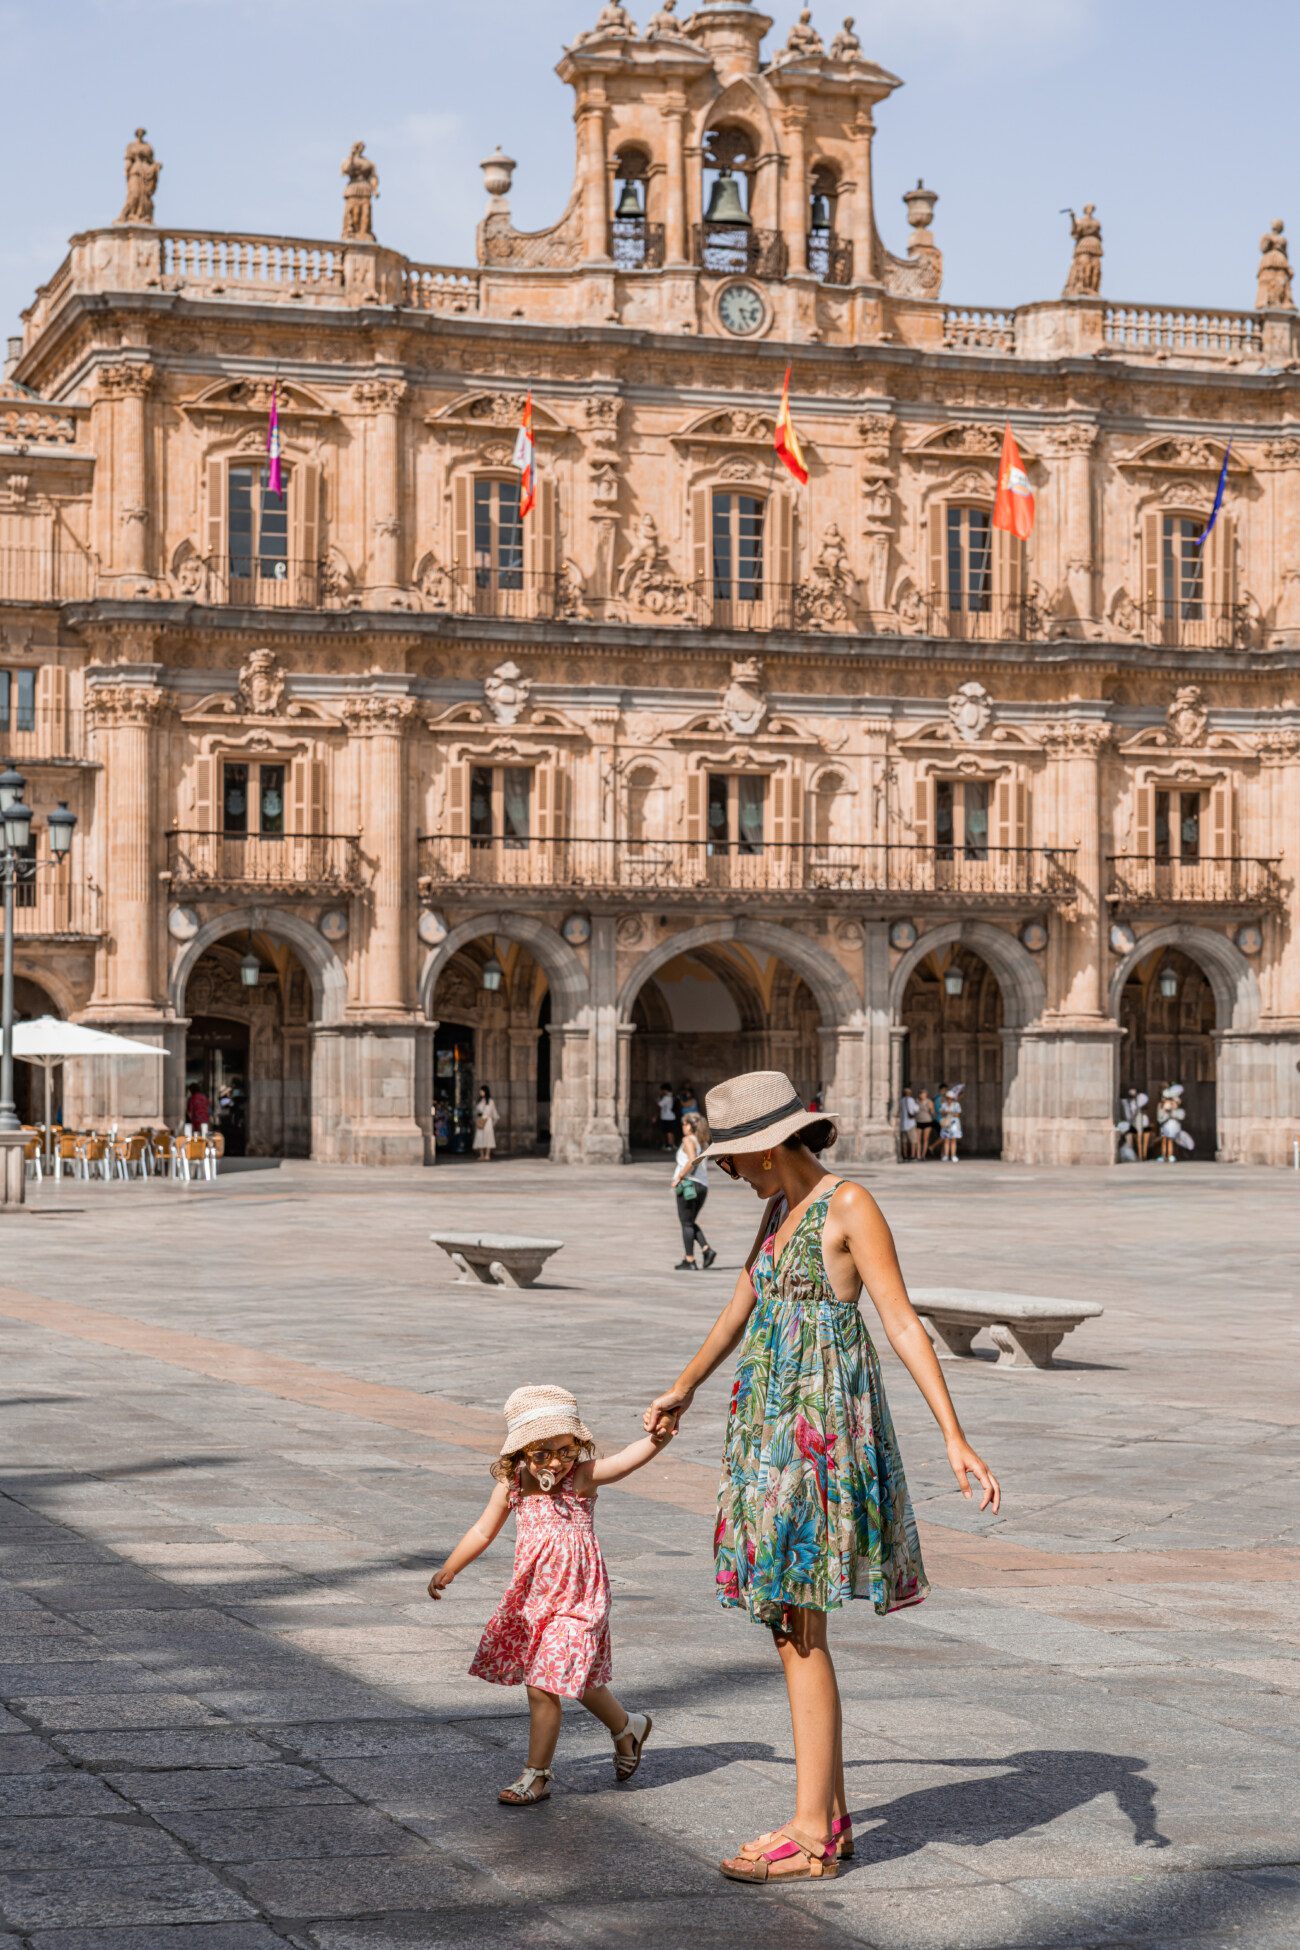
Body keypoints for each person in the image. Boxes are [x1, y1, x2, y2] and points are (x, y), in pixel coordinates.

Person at [643, 1069, 999, 1884]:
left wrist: (955, 1436)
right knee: (787, 1617)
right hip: (768, 1428)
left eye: (733, 1159)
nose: (727, 1173)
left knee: (797, 1621)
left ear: (769, 1148)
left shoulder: (848, 1206)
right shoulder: (778, 1210)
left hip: (819, 1433)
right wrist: (685, 1384)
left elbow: (902, 1321)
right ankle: (827, 1819)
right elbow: (739, 1309)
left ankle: (810, 1835)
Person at [429, 1384, 676, 1806]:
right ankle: (628, 1727)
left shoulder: (581, 1478)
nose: (556, 1462)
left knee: (544, 1685)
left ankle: (536, 1774)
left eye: (565, 1450)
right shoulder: (513, 1485)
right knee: (579, 1682)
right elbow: (484, 1529)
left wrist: (656, 1439)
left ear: (577, 1445)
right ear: (520, 1452)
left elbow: (623, 1463)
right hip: (534, 1602)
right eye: (542, 1454)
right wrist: (451, 1566)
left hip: (580, 1602)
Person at [671, 1109, 717, 1271]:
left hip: (689, 1185)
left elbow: (692, 1161)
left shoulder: (688, 1140)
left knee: (686, 1223)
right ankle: (706, 1250)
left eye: (684, 1124)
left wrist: (680, 1177)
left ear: (690, 1126)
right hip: (702, 1186)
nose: (682, 1126)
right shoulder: (702, 1141)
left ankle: (690, 1260)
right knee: (689, 1222)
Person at [1157, 1083, 1193, 1164]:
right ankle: (1163, 1155)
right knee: (1164, 1140)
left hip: (1171, 1125)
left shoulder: (1174, 1104)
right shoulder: (1161, 1105)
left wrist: (1173, 1109)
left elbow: (1179, 1114)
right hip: (1164, 1124)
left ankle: (1170, 1155)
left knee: (1170, 1140)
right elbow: (1159, 1115)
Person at [938, 1083, 964, 1162]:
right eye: (948, 1098)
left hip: (954, 1123)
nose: (949, 1099)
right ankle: (946, 1155)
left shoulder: (956, 1105)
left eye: (950, 1098)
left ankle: (953, 1155)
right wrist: (945, 1112)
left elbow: (958, 1114)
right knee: (946, 1140)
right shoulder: (944, 1104)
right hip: (946, 1123)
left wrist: (950, 1112)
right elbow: (941, 1113)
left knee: (953, 1140)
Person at [472, 1085, 498, 1161]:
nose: (481, 1092)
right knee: (479, 1137)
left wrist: (492, 1123)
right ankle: (481, 1155)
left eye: (482, 1091)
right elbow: (476, 1111)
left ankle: (487, 1155)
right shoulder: (479, 1101)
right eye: (480, 1091)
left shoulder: (490, 1101)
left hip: (488, 1121)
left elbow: (493, 1112)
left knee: (488, 1138)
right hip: (480, 1120)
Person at [915, 1088, 937, 1160]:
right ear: (919, 1094)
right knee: (918, 1139)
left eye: (924, 1094)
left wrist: (931, 1108)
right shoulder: (916, 1101)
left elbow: (933, 1113)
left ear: (926, 1095)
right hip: (918, 1121)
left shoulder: (929, 1102)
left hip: (927, 1121)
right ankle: (918, 1155)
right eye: (921, 1094)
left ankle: (923, 1155)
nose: (922, 1095)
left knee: (925, 1139)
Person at [899, 1089, 919, 1160]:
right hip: (910, 1123)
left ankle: (904, 1155)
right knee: (913, 1140)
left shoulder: (901, 1101)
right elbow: (916, 1109)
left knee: (904, 1141)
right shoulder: (911, 1100)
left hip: (902, 1123)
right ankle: (912, 1155)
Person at [657, 1082, 678, 1152]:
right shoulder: (672, 1096)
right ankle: (672, 1145)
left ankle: (669, 1145)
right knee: (671, 1132)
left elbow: (659, 1104)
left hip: (666, 1117)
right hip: (672, 1116)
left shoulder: (666, 1097)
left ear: (665, 1090)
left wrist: (658, 1097)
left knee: (668, 1132)